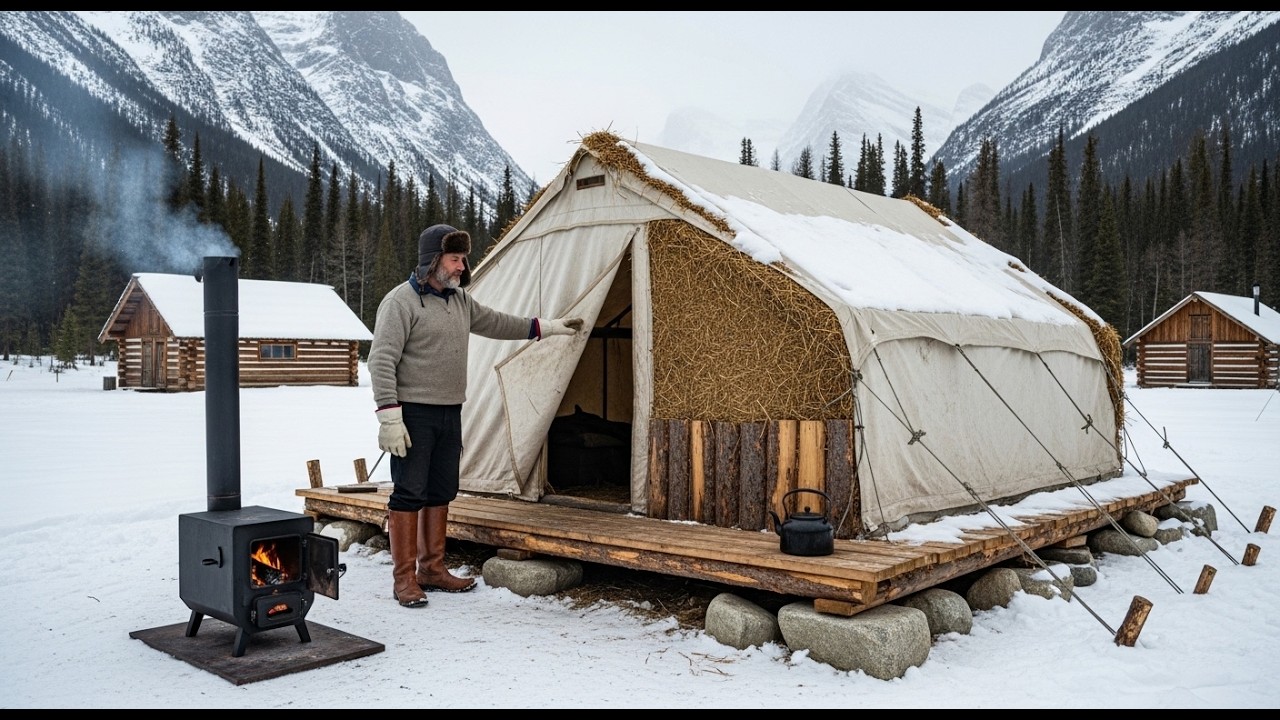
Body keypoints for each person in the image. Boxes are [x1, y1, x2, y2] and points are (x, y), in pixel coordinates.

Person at [369, 223, 584, 608]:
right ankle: (404, 580)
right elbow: (381, 359)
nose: (462, 267)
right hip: (412, 414)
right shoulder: (399, 302)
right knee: (409, 493)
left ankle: (431, 569)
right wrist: (389, 416)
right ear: (433, 260)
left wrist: (547, 327)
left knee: (442, 490)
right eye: (455, 259)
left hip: (451, 411)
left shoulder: (460, 301)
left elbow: (500, 323)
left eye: (464, 260)